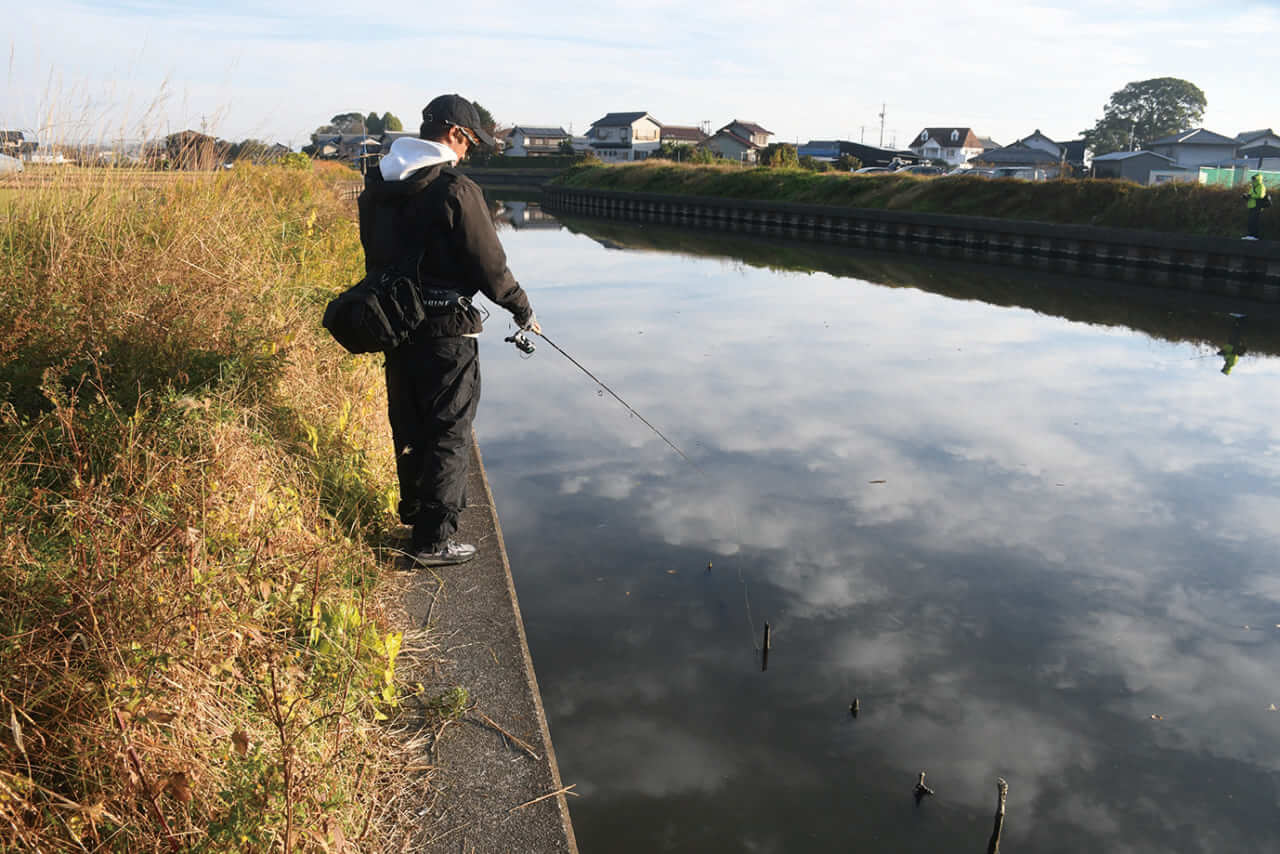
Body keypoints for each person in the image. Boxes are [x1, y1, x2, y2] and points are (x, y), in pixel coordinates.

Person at [358, 94, 540, 567]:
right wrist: (521, 308)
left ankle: (417, 509)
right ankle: (434, 540)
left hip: (394, 326)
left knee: (410, 421)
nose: (470, 153)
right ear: (455, 135)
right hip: (445, 332)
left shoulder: (376, 188)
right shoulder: (456, 191)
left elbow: (374, 256)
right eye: (471, 143)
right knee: (447, 429)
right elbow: (491, 267)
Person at [1243, 173, 1267, 240]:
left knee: (1254, 221)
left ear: (1258, 179)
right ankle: (1250, 235)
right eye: (1252, 179)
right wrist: (1246, 196)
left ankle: (1255, 236)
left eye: (1254, 179)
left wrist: (1250, 196)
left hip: (1257, 206)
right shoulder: (1252, 187)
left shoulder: (1261, 186)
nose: (1253, 180)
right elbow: (1251, 194)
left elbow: (1261, 195)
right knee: (1250, 221)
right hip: (1251, 206)